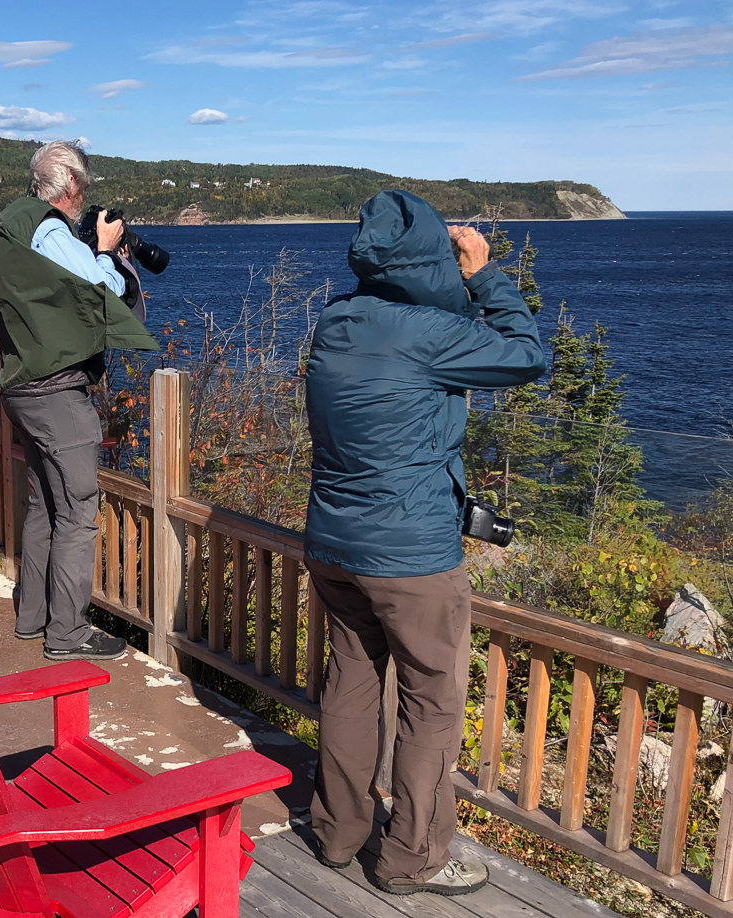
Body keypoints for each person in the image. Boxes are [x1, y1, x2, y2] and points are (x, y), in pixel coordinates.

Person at [304, 190, 547, 896]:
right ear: (432, 260)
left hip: (334, 543)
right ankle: (412, 860)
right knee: (431, 704)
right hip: (410, 557)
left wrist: (446, 285)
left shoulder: (336, 322)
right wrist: (483, 275)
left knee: (349, 686)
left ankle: (337, 835)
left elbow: (410, 332)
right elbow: (526, 355)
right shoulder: (428, 335)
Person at [0, 140, 158, 661]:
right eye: (84, 188)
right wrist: (106, 250)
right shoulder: (48, 228)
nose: (85, 198)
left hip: (20, 384)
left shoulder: (7, 224)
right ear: (72, 187)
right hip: (57, 390)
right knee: (79, 514)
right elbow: (100, 288)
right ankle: (67, 635)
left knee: (43, 504)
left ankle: (32, 617)